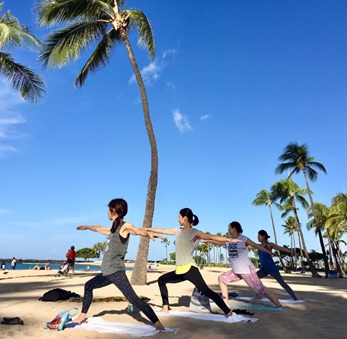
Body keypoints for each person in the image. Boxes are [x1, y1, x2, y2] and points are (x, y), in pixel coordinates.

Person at [72, 198, 165, 330]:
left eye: (108, 210)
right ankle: (82, 316)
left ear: (114, 210)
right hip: (107, 273)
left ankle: (158, 324)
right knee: (88, 286)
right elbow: (98, 228)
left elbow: (136, 230)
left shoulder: (124, 226)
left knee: (133, 299)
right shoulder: (113, 229)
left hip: (116, 272)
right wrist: (87, 227)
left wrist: (147, 234)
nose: (107, 213)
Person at [145, 207, 241, 317]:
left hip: (190, 269)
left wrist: (229, 240)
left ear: (185, 218)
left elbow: (211, 236)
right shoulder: (177, 231)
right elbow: (162, 229)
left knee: (206, 291)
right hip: (179, 270)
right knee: (161, 280)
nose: (178, 219)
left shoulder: (194, 233)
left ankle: (228, 312)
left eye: (179, 217)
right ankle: (165, 307)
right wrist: (148, 229)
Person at [204, 221, 282, 308]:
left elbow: (257, 246)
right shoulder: (229, 240)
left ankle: (279, 305)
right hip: (236, 271)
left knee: (260, 289)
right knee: (222, 279)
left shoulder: (243, 239)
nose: (228, 229)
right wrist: (208, 240)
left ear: (234, 229)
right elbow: (220, 243)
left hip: (246, 271)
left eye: (229, 227)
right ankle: (225, 303)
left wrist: (269, 252)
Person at [256, 230, 298, 300]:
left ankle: (295, 298)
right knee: (254, 279)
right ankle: (259, 294)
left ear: (263, 236)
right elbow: (248, 245)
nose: (257, 237)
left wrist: (293, 252)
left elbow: (281, 248)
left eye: (259, 236)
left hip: (272, 268)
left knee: (282, 283)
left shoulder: (269, 245)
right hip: (263, 269)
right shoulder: (258, 246)